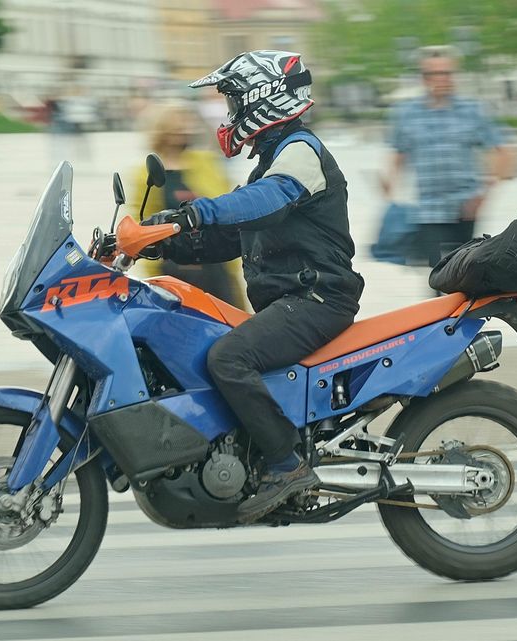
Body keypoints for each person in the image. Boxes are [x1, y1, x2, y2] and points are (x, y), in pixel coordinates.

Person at [139, 51, 364, 521]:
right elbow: (230, 238)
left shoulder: (300, 152)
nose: (229, 114)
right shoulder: (272, 161)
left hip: (316, 299)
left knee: (228, 357)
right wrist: (162, 241)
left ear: (262, 98)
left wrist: (197, 209)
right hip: (291, 300)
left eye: (233, 101)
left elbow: (265, 200)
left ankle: (288, 466)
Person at [382, 45, 513, 279]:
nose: (443, 79)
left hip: (465, 209)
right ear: (423, 78)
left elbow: (502, 151)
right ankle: (441, 314)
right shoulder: (406, 113)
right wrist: (390, 187)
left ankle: (461, 315)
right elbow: (399, 154)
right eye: (436, 74)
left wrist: (485, 192)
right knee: (439, 275)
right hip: (428, 211)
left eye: (448, 73)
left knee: (464, 276)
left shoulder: (473, 111)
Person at [129, 102, 248, 309]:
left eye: (186, 122)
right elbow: (142, 223)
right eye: (176, 124)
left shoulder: (206, 161)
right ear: (162, 130)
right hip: (174, 269)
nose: (183, 128)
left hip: (214, 265)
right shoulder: (146, 173)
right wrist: (153, 270)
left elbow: (227, 205)